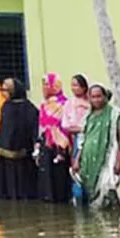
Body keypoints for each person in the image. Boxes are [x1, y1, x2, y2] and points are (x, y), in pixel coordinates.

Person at [0, 78, 39, 200]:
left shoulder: (28, 108)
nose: (3, 93)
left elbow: (32, 129)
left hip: (23, 154)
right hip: (5, 153)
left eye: (6, 90)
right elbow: (3, 128)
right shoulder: (5, 106)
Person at [76, 83, 119, 207]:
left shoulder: (115, 114)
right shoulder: (87, 116)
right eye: (93, 97)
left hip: (107, 158)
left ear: (105, 97)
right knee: (89, 194)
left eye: (99, 96)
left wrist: (117, 160)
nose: (96, 100)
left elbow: (118, 139)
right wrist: (77, 158)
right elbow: (82, 138)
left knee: (106, 189)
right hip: (87, 160)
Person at [37, 73, 74, 203]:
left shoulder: (65, 104)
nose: (45, 88)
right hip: (46, 144)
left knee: (60, 175)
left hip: (61, 144)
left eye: (48, 84)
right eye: (44, 85)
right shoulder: (43, 105)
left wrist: (61, 144)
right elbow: (42, 126)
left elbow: (65, 125)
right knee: (47, 173)